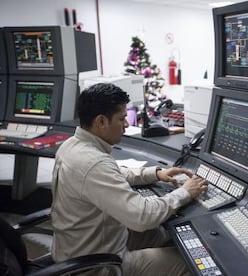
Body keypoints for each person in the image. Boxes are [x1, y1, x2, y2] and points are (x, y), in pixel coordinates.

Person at [50, 83, 208, 275]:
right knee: (193, 262)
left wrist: (155, 173)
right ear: (101, 122)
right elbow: (143, 217)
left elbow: (114, 175)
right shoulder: (93, 163)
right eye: (122, 118)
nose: (126, 125)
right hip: (95, 266)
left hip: (82, 245)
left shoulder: (72, 145)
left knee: (163, 234)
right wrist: (185, 192)